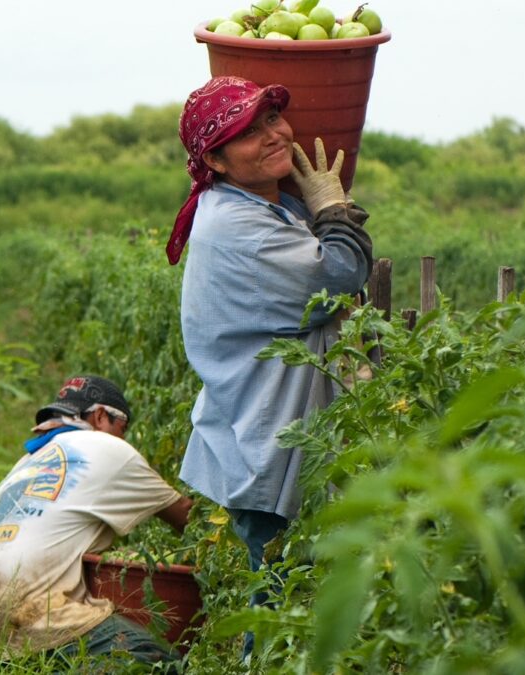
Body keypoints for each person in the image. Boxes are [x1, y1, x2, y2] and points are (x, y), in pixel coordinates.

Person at [168, 76, 374, 657]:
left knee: (283, 598)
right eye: (248, 132)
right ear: (214, 159)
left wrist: (316, 205)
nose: (274, 135)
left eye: (272, 121)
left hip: (257, 431)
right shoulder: (240, 229)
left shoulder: (244, 204)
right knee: (284, 610)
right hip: (265, 442)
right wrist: (334, 207)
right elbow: (338, 276)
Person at [0, 375, 193, 667]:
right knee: (163, 663)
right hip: (39, 615)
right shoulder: (111, 449)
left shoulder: (27, 461)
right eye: (122, 428)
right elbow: (188, 517)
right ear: (99, 416)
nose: (124, 439)